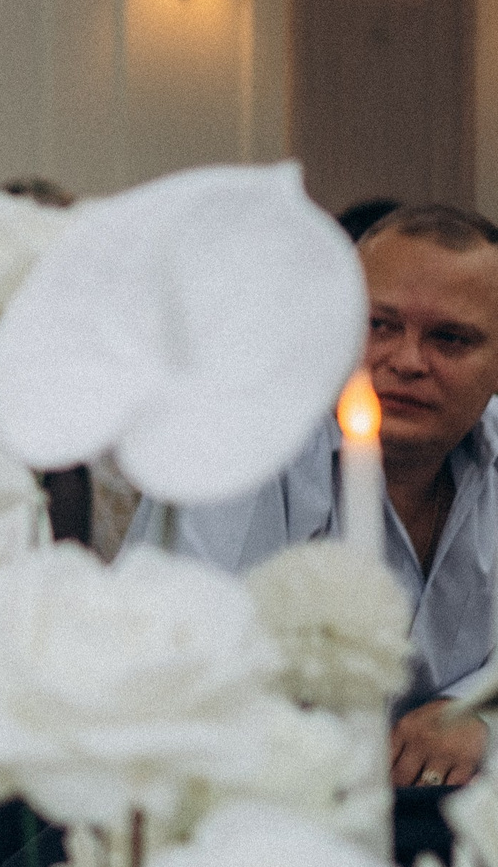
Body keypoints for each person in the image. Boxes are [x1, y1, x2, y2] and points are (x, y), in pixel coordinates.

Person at [128, 203, 498, 786]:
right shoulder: (243, 446)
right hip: (239, 805)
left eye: (449, 339)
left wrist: (482, 715)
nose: (405, 361)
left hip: (450, 820)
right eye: (379, 325)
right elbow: (163, 668)